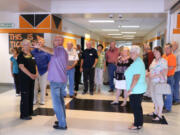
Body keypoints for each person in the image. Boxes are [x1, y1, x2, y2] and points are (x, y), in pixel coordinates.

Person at [34, 35, 68, 130]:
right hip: (60, 80)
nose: (56, 41)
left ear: (62, 41)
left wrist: (40, 47)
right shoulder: (59, 51)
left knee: (57, 104)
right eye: (55, 40)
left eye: (59, 40)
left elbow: (50, 50)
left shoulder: (59, 49)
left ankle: (62, 124)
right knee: (60, 102)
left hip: (57, 81)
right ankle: (62, 120)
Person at [125, 45, 147, 130]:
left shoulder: (138, 62)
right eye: (130, 52)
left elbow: (136, 77)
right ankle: (139, 122)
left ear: (137, 53)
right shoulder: (137, 61)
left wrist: (130, 89)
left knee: (136, 107)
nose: (131, 54)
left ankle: (137, 124)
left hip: (136, 89)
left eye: (132, 52)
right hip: (137, 89)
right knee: (137, 106)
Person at [17, 39, 38, 120]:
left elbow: (35, 64)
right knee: (25, 95)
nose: (27, 46)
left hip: (32, 78)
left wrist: (36, 73)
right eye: (25, 44)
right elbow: (21, 67)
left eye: (28, 44)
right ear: (22, 45)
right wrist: (30, 75)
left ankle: (30, 111)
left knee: (31, 94)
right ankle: (24, 114)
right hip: (24, 78)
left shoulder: (31, 54)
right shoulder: (21, 55)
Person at [148, 46, 168, 121]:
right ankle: (155, 111)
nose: (155, 53)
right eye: (154, 51)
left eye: (156, 51)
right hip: (153, 81)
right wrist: (149, 74)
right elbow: (151, 69)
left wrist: (156, 76)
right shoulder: (154, 60)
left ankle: (159, 114)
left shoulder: (163, 61)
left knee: (159, 98)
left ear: (160, 52)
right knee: (154, 97)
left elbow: (165, 72)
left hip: (159, 82)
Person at [31, 38, 51, 105]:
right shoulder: (33, 51)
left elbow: (50, 62)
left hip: (44, 71)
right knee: (35, 87)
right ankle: (34, 100)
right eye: (38, 42)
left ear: (43, 43)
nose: (39, 43)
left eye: (41, 42)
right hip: (35, 71)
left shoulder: (46, 52)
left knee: (43, 86)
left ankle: (42, 100)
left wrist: (48, 71)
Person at [163, 43, 176, 112]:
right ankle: (163, 106)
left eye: (167, 48)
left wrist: (163, 68)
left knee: (168, 93)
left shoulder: (172, 56)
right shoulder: (164, 56)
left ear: (171, 49)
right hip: (163, 77)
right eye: (165, 48)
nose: (166, 49)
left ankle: (168, 108)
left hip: (169, 77)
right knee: (163, 92)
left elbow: (171, 67)